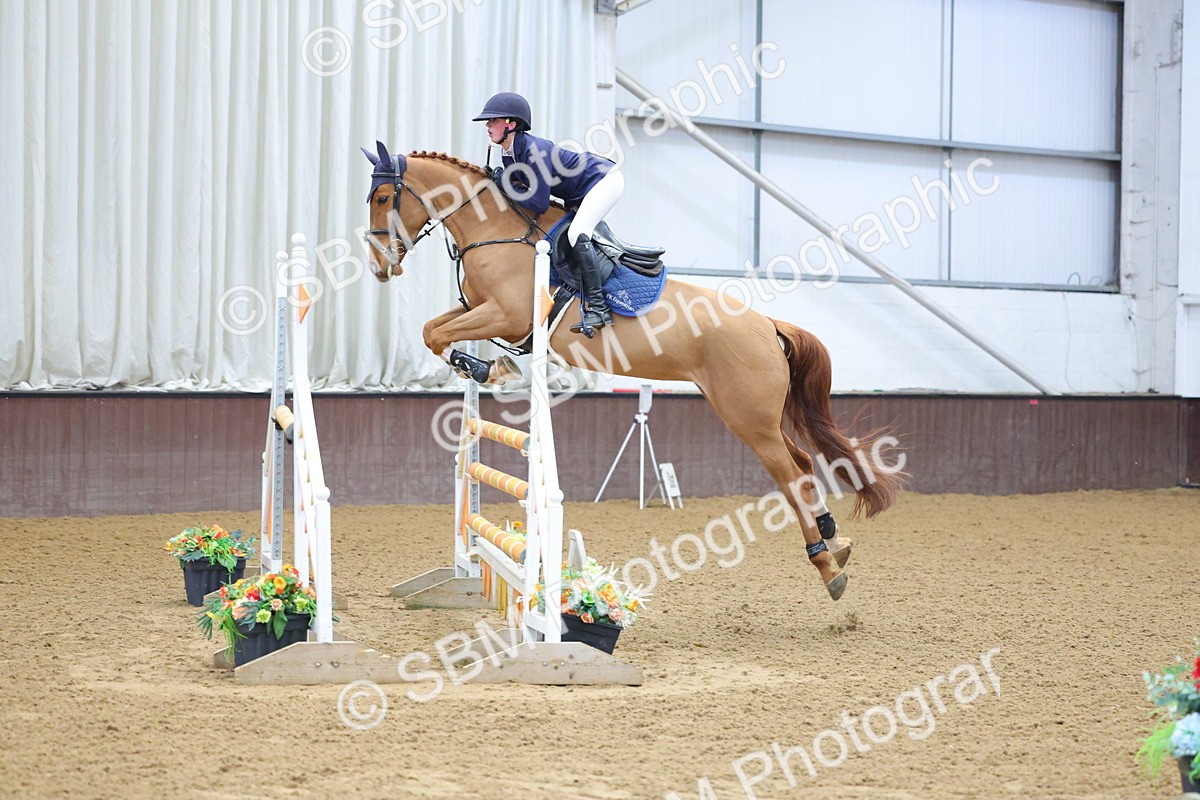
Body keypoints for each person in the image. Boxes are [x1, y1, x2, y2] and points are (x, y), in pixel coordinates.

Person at [473, 92, 621, 334]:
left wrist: (504, 183)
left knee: (576, 234)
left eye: (493, 120)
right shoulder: (508, 152)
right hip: (578, 191)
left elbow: (539, 203)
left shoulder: (533, 151)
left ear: (511, 124)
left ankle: (599, 308)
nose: (488, 125)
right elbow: (520, 192)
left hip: (603, 181)